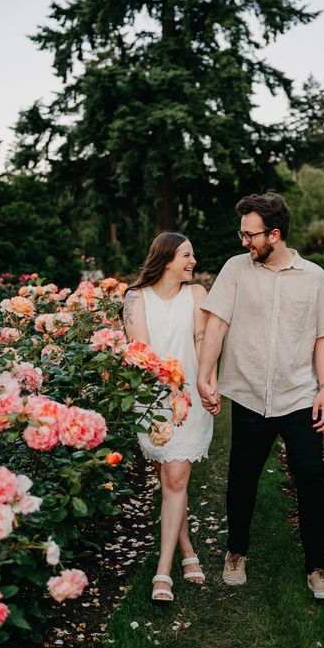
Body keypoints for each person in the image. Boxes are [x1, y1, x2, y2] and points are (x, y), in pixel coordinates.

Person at [197, 193, 324, 599]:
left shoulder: (314, 277)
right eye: (241, 233)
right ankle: (236, 552)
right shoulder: (235, 270)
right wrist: (204, 374)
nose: (243, 241)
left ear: (274, 234)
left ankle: (319, 567)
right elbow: (217, 324)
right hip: (248, 395)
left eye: (250, 234)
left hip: (299, 396)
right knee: (242, 477)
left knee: (312, 481)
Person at [123, 232, 216, 603]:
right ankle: (187, 548)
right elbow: (142, 352)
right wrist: (169, 389)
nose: (193, 262)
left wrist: (207, 383)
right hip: (151, 397)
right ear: (165, 259)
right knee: (169, 479)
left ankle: (163, 571)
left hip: (189, 398)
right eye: (186, 255)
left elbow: (201, 341)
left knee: (175, 477)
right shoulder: (135, 298)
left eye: (192, 255)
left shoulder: (197, 295)